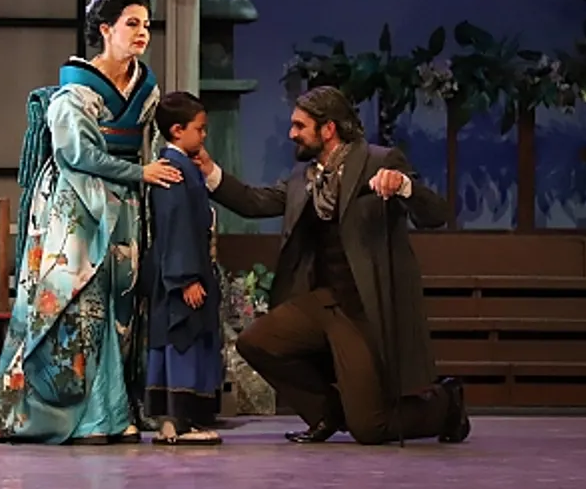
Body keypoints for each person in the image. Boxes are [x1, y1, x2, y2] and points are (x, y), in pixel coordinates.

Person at [192, 86, 471, 445]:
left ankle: (446, 404)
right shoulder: (305, 178)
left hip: (363, 309)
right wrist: (209, 170)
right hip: (323, 301)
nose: (292, 134)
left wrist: (403, 186)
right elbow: (254, 201)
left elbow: (436, 213)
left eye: (300, 126)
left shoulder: (378, 160)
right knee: (256, 342)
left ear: (328, 129)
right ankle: (327, 413)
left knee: (370, 429)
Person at [0, 0, 182, 445]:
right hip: (76, 203)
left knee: (118, 303)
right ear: (106, 30)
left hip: (126, 202)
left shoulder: (145, 88)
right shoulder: (76, 91)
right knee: (77, 306)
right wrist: (139, 173)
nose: (142, 33)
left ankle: (114, 412)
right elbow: (77, 155)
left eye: (146, 25)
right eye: (132, 23)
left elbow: (149, 144)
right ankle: (76, 416)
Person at [144, 91, 225, 446]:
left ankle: (176, 422)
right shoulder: (172, 171)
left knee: (184, 338)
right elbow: (175, 227)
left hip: (186, 266)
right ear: (177, 130)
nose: (203, 135)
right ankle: (177, 422)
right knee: (181, 338)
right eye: (199, 129)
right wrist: (185, 277)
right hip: (179, 272)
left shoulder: (184, 167)